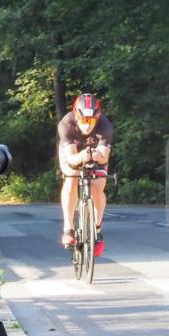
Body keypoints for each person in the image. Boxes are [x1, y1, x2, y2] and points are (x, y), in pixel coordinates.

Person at [58, 94, 113, 256]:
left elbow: (104, 157)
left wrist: (96, 156)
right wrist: (81, 157)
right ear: (76, 116)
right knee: (71, 177)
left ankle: (97, 228)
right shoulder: (66, 124)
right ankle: (68, 228)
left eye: (91, 121)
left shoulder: (105, 125)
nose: (87, 126)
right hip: (73, 152)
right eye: (83, 121)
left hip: (95, 151)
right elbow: (71, 159)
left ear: (97, 118)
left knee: (98, 186)